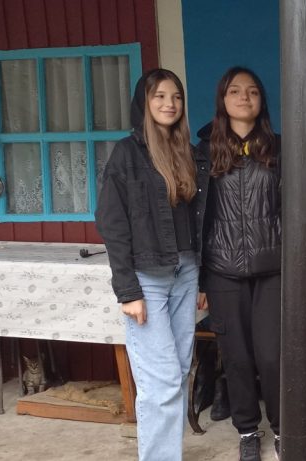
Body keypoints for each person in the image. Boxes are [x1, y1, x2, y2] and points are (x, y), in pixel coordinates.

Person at [95, 68, 208, 461]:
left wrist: (202, 280)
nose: (169, 104)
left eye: (176, 96)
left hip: (186, 272)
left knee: (175, 376)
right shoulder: (127, 153)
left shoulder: (188, 152)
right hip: (148, 280)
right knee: (160, 383)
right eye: (159, 96)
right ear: (144, 102)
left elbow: (198, 220)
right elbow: (111, 221)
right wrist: (128, 290)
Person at [195, 66, 282, 461]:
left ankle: (284, 427)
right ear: (222, 99)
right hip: (222, 271)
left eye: (252, 91)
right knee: (238, 357)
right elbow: (194, 218)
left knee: (272, 355)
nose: (244, 97)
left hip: (273, 270)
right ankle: (247, 431)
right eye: (234, 90)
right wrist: (198, 280)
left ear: (261, 100)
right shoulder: (204, 151)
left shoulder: (279, 149)